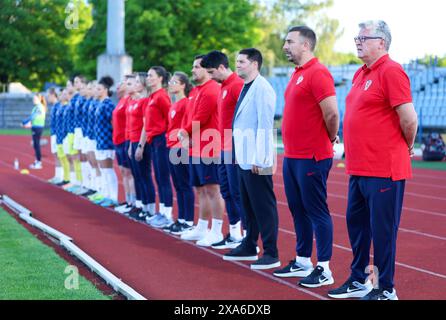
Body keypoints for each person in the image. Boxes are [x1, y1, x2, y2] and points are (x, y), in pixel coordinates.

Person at [328, 20, 418, 300]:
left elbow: (409, 118)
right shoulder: (360, 73)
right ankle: (358, 280)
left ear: (382, 42)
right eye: (357, 36)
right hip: (359, 167)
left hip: (384, 169)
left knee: (382, 232)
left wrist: (407, 146)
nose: (357, 41)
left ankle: (384, 288)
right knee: (357, 227)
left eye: (364, 37)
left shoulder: (391, 71)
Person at [273, 26, 339, 288]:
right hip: (292, 155)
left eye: (290, 41)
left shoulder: (319, 73)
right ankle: (302, 260)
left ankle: (324, 268)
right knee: (297, 209)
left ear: (306, 45)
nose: (285, 46)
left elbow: (332, 113)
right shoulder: (297, 74)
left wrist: (330, 138)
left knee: (316, 210)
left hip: (312, 155)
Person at [223, 48, 280, 270]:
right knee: (248, 205)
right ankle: (249, 244)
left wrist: (261, 158)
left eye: (241, 62)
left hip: (258, 159)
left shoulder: (263, 89)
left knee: (263, 206)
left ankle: (271, 252)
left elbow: (266, 126)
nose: (237, 65)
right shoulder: (246, 88)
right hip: (243, 157)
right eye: (236, 61)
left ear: (254, 64)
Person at [178, 55, 225, 247]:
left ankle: (217, 231)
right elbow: (190, 116)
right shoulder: (196, 91)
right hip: (195, 147)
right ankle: (202, 226)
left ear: (207, 69)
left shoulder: (212, 89)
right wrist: (186, 136)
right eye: (193, 66)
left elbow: (201, 118)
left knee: (212, 189)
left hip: (209, 146)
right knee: (200, 189)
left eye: (197, 67)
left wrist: (183, 133)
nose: (193, 70)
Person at [200, 50, 245, 250]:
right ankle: (234, 232)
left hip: (234, 148)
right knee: (226, 191)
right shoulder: (223, 87)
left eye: (211, 72)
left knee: (236, 193)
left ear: (221, 67)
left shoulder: (236, 85)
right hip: (221, 147)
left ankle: (245, 235)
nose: (210, 76)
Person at [164, 71, 195, 234]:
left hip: (180, 147)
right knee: (178, 184)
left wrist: (184, 144)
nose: (171, 84)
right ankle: (181, 218)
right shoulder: (173, 104)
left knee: (185, 184)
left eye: (175, 82)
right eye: (170, 82)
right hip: (171, 146)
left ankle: (188, 220)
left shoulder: (186, 102)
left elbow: (189, 124)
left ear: (183, 85)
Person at [144, 66, 174, 228]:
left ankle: (167, 214)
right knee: (158, 177)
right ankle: (162, 211)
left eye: (151, 75)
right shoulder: (152, 96)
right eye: (148, 75)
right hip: (153, 140)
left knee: (163, 177)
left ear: (160, 78)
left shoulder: (162, 96)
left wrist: (167, 137)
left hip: (162, 140)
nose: (148, 78)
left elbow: (170, 118)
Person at [126, 73, 157, 220]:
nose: (136, 83)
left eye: (138, 81)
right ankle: (143, 206)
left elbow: (145, 125)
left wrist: (140, 145)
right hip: (134, 141)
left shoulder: (145, 101)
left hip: (142, 142)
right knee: (138, 176)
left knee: (145, 176)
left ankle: (150, 208)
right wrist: (132, 145)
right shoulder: (138, 100)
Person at [93, 76, 119, 207]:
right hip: (100, 141)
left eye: (98, 89)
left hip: (106, 141)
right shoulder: (100, 104)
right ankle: (106, 194)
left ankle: (113, 197)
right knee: (103, 169)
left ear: (105, 90)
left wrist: (112, 138)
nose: (95, 91)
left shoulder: (108, 104)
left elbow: (113, 122)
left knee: (108, 169)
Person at [113, 77, 137, 214]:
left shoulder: (130, 100)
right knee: (124, 172)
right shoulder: (122, 101)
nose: (119, 86)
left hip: (125, 140)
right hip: (118, 140)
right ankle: (129, 201)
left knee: (129, 173)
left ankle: (133, 201)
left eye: (124, 83)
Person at [22, 93, 47, 169]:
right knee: (35, 145)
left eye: (35, 99)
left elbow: (33, 116)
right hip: (35, 127)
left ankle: (39, 163)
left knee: (36, 145)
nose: (33, 100)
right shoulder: (36, 107)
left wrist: (24, 121)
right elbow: (34, 118)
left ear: (39, 99)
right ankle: (37, 161)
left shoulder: (39, 107)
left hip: (38, 128)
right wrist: (28, 124)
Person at [47, 87, 63, 182]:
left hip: (58, 134)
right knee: (56, 155)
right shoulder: (54, 106)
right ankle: (57, 175)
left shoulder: (58, 106)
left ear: (53, 95)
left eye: (49, 96)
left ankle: (61, 176)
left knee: (59, 155)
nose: (47, 98)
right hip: (54, 133)